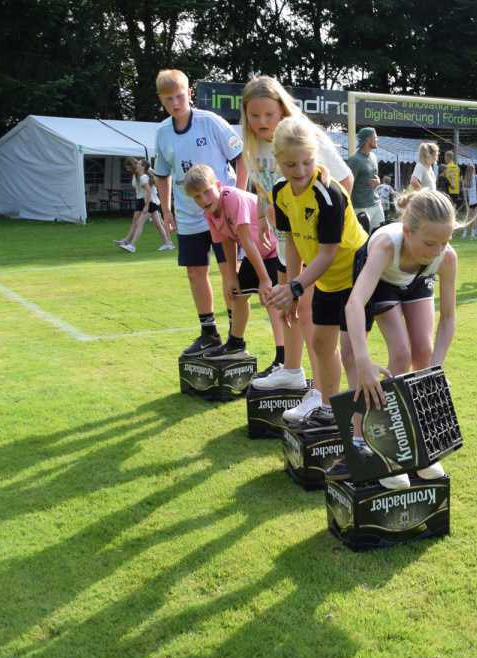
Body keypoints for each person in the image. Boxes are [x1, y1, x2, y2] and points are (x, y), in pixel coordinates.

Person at [237, 75, 352, 412]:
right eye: (254, 116)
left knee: (313, 315)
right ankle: (291, 370)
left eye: (268, 115)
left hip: (323, 243)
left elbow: (345, 179)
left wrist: (322, 217)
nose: (261, 123)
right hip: (290, 238)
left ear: (282, 109)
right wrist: (262, 219)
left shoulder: (305, 137)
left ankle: (320, 392)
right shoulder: (253, 146)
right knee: (289, 306)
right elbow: (266, 190)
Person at [334, 188, 460, 487]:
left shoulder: (444, 256)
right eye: (430, 243)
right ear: (408, 231)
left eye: (445, 242)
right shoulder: (386, 247)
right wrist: (364, 363)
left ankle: (419, 448)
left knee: (424, 355)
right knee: (398, 354)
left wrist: (434, 372)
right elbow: (354, 304)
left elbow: (449, 318)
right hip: (381, 282)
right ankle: (374, 446)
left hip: (415, 281)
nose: (437, 250)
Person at [264, 117, 368, 428]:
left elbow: (328, 252)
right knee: (322, 344)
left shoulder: (328, 194)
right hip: (324, 280)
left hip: (355, 274)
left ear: (316, 157)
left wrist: (295, 288)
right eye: (291, 164)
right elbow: (294, 240)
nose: (299, 172)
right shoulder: (280, 193)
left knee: (351, 354)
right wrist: (292, 287)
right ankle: (327, 408)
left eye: (307, 162)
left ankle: (357, 426)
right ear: (278, 162)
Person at [150, 69, 243, 357]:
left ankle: (234, 336)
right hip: (189, 216)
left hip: (221, 214)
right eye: (169, 99)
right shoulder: (163, 133)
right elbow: (162, 175)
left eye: (180, 96)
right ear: (162, 101)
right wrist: (167, 211)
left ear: (189, 94)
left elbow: (241, 158)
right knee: (194, 272)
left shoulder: (210, 122)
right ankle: (209, 332)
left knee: (230, 275)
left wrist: (236, 198)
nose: (176, 103)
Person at [184, 163, 283, 361]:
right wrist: (231, 277)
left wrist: (264, 280)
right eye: (197, 196)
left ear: (218, 185)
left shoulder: (233, 198)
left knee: (271, 300)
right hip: (255, 253)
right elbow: (226, 242)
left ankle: (283, 357)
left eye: (206, 192)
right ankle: (235, 344)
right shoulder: (209, 212)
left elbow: (246, 240)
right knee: (238, 295)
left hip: (274, 249)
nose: (203, 199)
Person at [115, 157, 173, 253]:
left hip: (150, 203)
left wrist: (146, 206)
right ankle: (168, 243)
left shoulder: (143, 177)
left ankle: (132, 245)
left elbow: (149, 192)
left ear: (142, 167)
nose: (137, 164)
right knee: (158, 224)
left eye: (139, 164)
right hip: (150, 202)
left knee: (140, 223)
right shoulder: (142, 176)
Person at [347, 127, 383, 233]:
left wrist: (378, 181)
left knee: (378, 238)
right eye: (375, 137)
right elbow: (348, 184)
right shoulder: (355, 160)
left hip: (376, 205)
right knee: (362, 243)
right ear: (368, 140)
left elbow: (374, 177)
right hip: (360, 208)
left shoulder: (374, 157)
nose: (377, 140)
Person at [462, 163, 477, 239]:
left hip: (469, 201)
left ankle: (465, 233)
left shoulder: (465, 179)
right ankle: (473, 234)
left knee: (468, 218)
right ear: (473, 169)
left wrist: (466, 202)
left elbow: (464, 193)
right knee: (475, 218)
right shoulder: (476, 177)